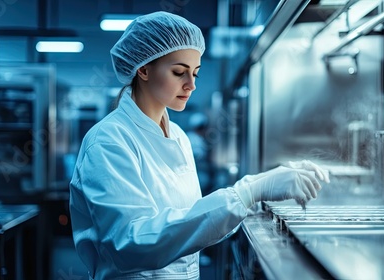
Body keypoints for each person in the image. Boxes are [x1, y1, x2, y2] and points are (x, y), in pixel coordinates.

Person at [68, 11, 330, 280]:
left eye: (195, 73)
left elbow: (190, 223)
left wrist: (257, 191)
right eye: (179, 72)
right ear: (143, 69)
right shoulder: (109, 141)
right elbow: (130, 245)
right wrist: (247, 193)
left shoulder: (178, 136)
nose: (191, 84)